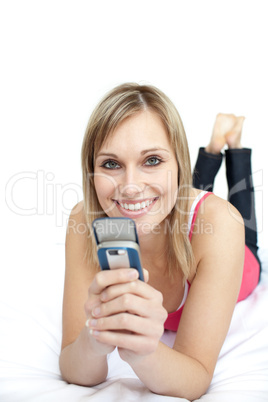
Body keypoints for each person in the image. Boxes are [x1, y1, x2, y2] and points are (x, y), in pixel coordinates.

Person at [59, 83, 260, 400]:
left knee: (239, 216)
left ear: (179, 161)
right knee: (164, 197)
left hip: (241, 260)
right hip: (180, 207)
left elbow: (194, 377)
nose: (130, 187)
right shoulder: (85, 220)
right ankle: (209, 149)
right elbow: (73, 365)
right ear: (91, 170)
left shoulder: (221, 224)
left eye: (152, 160)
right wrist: (94, 339)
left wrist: (143, 353)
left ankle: (231, 146)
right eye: (111, 164)